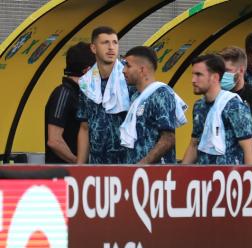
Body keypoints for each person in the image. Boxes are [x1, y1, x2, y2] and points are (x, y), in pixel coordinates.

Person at [182, 54, 252, 165]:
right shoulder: (199, 106)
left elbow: (249, 148)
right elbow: (194, 144)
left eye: (199, 75)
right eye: (193, 74)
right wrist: (181, 174)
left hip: (229, 178)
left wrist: (250, 178)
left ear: (215, 77)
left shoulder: (234, 106)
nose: (193, 80)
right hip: (203, 178)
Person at [120, 46, 187, 164]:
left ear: (142, 69)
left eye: (128, 66)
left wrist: (142, 164)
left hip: (156, 175)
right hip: (136, 174)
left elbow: (168, 139)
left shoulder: (161, 93)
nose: (123, 70)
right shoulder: (135, 96)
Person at [77, 26, 132, 164]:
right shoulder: (86, 83)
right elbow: (84, 127)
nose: (111, 47)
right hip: (97, 164)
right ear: (94, 48)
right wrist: (80, 168)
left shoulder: (130, 77)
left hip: (127, 162)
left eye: (115, 42)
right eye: (105, 42)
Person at [45, 42, 95, 164]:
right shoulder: (63, 93)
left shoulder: (83, 95)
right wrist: (78, 162)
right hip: (64, 175)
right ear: (87, 70)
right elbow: (54, 140)